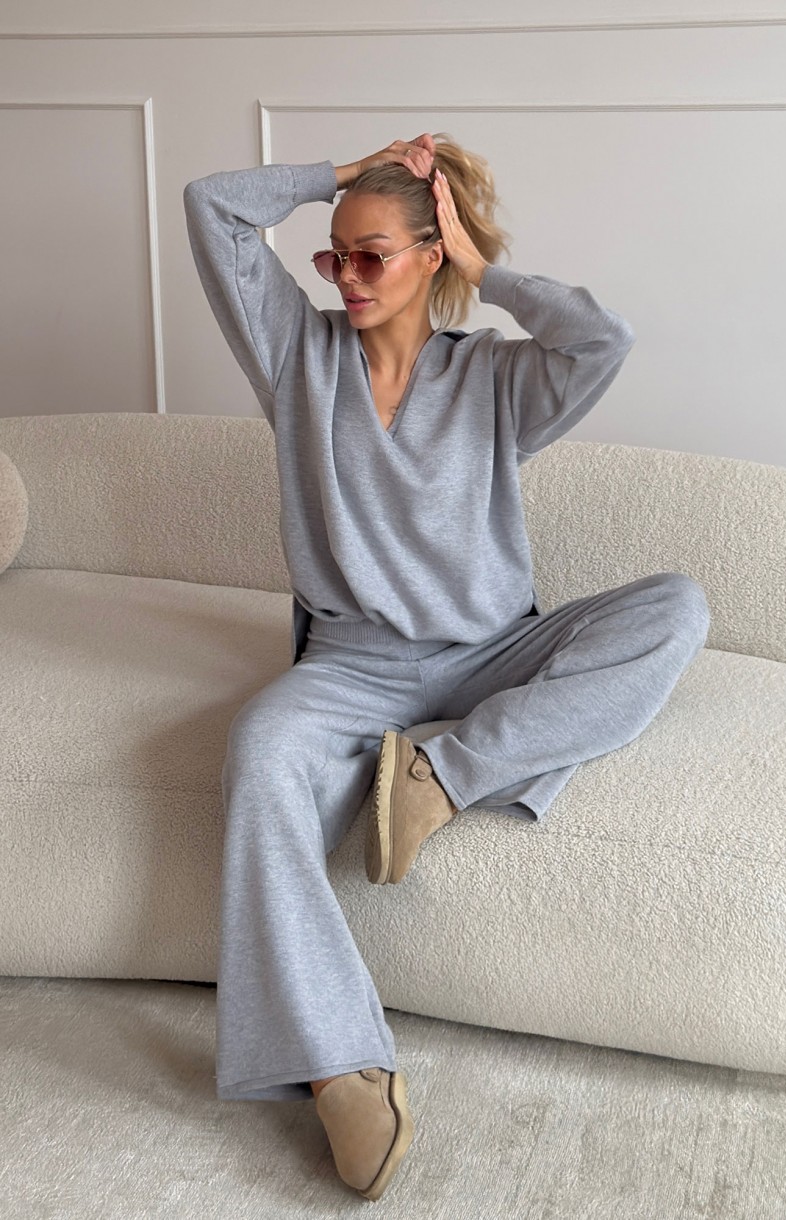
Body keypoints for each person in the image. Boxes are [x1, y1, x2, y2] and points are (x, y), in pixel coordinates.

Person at [183, 132, 710, 1201]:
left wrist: (488, 269)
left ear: (433, 255)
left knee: (676, 608)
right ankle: (341, 1066)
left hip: (491, 653)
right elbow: (211, 205)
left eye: (372, 254)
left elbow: (601, 341)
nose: (345, 276)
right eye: (333, 255)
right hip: (350, 667)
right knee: (259, 749)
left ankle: (440, 776)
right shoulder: (295, 354)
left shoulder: (497, 378)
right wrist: (342, 176)